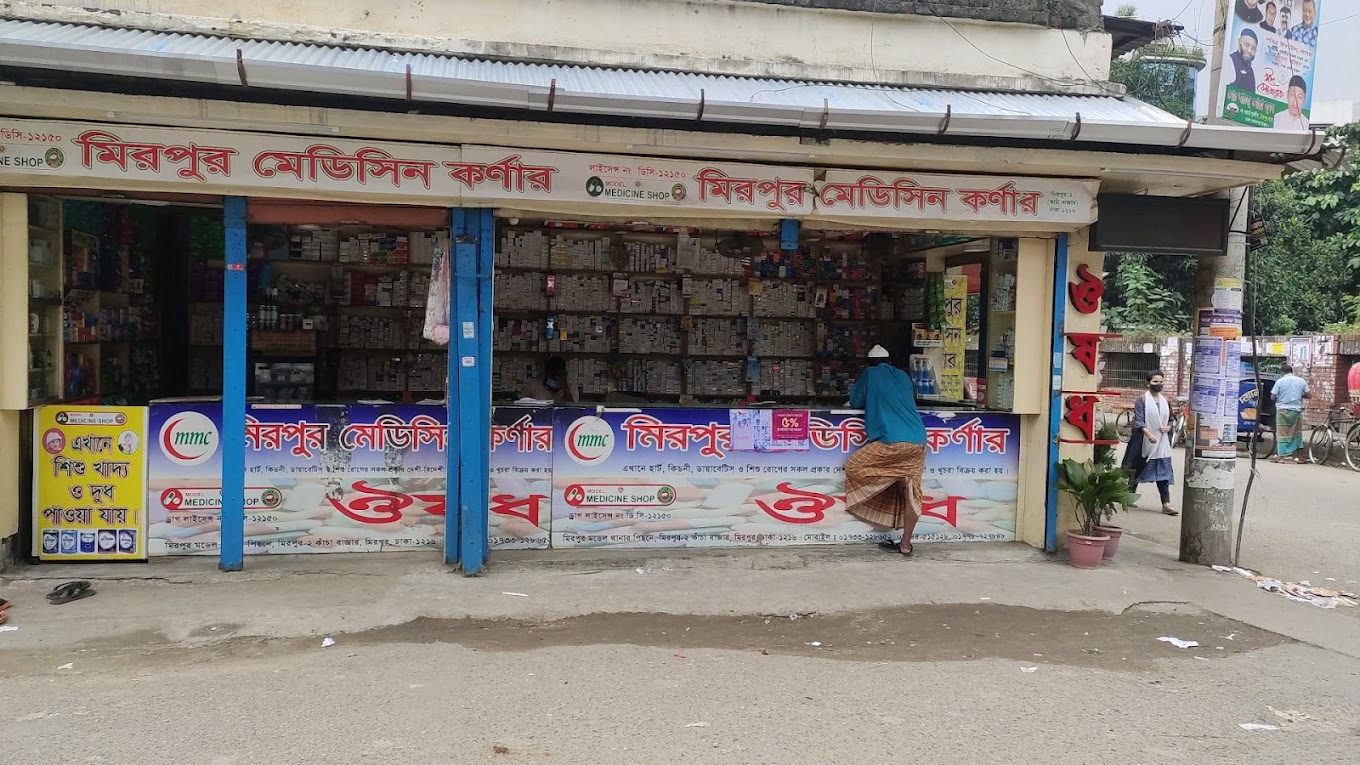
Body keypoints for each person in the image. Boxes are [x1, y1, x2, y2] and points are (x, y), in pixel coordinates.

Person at [844, 345, 928, 556]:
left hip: (891, 441)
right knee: (911, 492)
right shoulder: (903, 375)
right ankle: (905, 545)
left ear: (869, 363)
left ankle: (892, 481)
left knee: (853, 466)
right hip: (917, 441)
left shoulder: (870, 373)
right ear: (889, 361)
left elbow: (855, 401)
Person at [1121, 371, 1177, 516]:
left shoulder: (1166, 401)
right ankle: (1128, 496)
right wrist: (1148, 434)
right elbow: (1139, 421)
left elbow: (1171, 419)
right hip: (1143, 441)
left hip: (1161, 442)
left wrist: (1168, 427)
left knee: (1163, 472)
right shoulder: (1142, 400)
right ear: (1148, 383)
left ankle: (1166, 504)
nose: (1158, 384)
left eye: (1161, 382)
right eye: (1155, 382)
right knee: (1137, 467)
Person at [1270, 364, 1310, 463]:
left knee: (1282, 434)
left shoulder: (1280, 381)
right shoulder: (1301, 381)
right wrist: (1300, 395)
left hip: (1282, 410)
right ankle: (1300, 457)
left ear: (1282, 372)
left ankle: (1281, 457)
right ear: (1292, 371)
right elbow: (1309, 395)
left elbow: (1273, 397)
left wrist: (1281, 397)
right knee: (1297, 434)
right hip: (1296, 411)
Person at [1231, 29, 1259, 93]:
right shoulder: (1230, 61)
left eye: (1253, 48)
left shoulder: (1251, 71)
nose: (1249, 50)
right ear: (1239, 42)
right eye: (1246, 44)